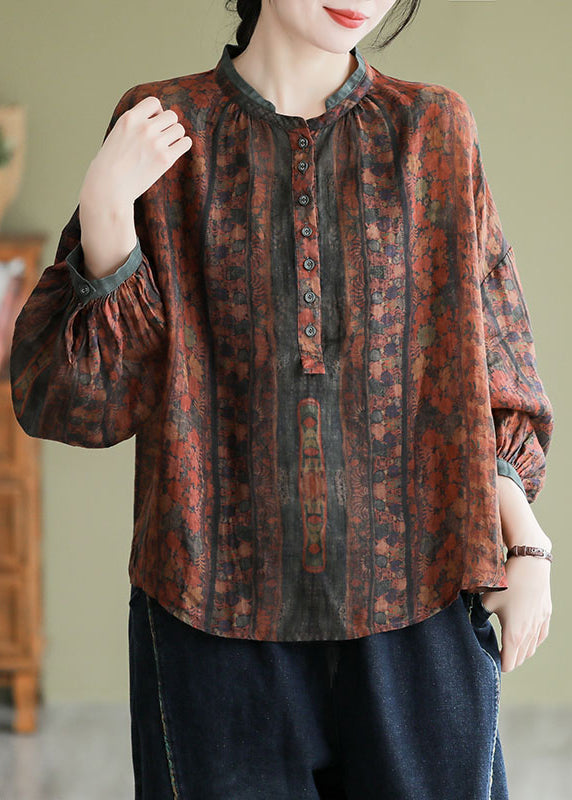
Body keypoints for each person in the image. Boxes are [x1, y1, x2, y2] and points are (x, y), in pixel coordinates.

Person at [10, 0, 555, 797]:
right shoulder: (160, 129)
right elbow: (79, 403)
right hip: (209, 619)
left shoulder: (433, 131)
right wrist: (106, 218)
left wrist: (526, 540)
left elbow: (486, 365)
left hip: (420, 610)